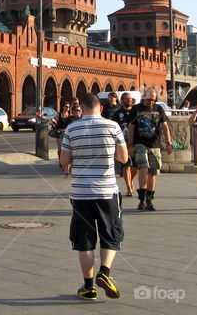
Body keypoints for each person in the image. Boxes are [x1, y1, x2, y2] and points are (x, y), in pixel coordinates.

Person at [59, 93, 129, 301]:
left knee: (85, 241)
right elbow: (124, 158)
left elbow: (65, 161)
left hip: (81, 193)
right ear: (100, 107)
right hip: (107, 191)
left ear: (83, 107)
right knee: (110, 234)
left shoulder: (72, 128)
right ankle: (104, 273)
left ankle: (88, 287)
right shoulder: (113, 126)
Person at [127, 87, 173, 211]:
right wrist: (130, 145)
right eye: (149, 100)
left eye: (153, 100)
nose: (151, 102)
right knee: (143, 168)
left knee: (153, 172)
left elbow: (165, 126)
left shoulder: (159, 109)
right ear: (144, 97)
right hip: (140, 143)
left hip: (155, 144)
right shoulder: (136, 109)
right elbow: (131, 127)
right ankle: (142, 199)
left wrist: (169, 142)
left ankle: (149, 199)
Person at [110, 92, 136, 196]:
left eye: (130, 98)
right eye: (127, 98)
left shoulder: (135, 112)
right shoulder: (118, 113)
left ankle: (130, 180)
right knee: (126, 165)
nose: (129, 100)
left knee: (136, 166)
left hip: (134, 142)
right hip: (122, 143)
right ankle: (129, 188)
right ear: (122, 100)